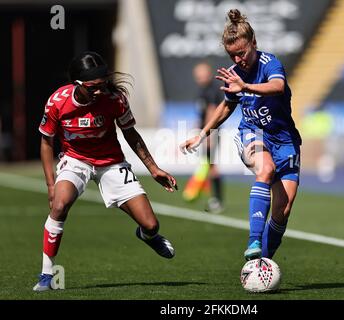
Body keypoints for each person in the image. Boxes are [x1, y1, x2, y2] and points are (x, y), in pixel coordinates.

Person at [33, 51, 177, 291]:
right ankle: (47, 274)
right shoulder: (58, 102)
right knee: (59, 206)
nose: (99, 91)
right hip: (75, 160)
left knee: (151, 225)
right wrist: (51, 185)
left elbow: (130, 133)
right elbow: (46, 142)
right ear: (77, 84)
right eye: (93, 87)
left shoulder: (114, 99)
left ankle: (147, 236)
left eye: (102, 84)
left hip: (111, 162)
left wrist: (153, 168)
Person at [180, 9, 302, 261]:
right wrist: (202, 134)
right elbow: (227, 105)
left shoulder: (271, 64)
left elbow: (278, 86)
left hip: (285, 139)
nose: (237, 59)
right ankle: (253, 241)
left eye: (242, 52)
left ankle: (262, 262)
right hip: (253, 132)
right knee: (265, 169)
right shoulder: (234, 73)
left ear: (254, 43)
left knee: (283, 208)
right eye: (231, 55)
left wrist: (245, 86)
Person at [182, 62, 225, 214]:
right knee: (208, 165)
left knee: (212, 166)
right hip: (204, 133)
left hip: (210, 134)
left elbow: (212, 113)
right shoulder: (203, 90)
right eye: (197, 76)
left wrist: (207, 135)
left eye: (201, 75)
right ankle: (211, 197)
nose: (199, 78)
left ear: (208, 74)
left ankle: (217, 200)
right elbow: (201, 113)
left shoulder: (212, 90)